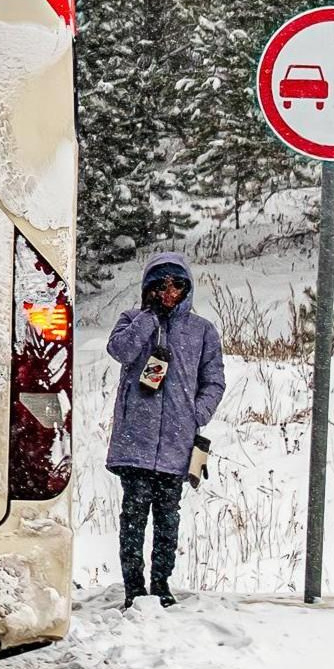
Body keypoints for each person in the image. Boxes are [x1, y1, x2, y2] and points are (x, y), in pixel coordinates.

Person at [104, 252, 224, 608]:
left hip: (176, 444)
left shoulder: (202, 331)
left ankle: (161, 585)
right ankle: (133, 588)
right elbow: (121, 351)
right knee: (134, 518)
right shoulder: (132, 320)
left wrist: (195, 415)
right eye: (161, 285)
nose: (169, 292)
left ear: (186, 288)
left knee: (168, 521)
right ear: (149, 288)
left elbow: (214, 381)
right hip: (135, 442)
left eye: (176, 284)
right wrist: (148, 318)